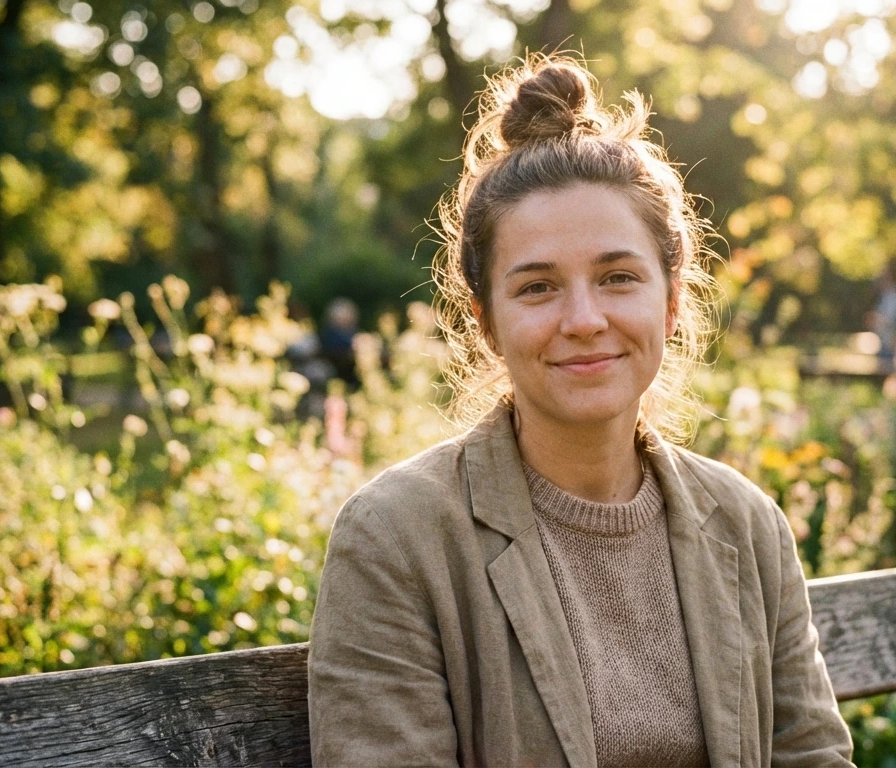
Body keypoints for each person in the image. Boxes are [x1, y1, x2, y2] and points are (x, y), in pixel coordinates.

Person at [308, 54, 855, 767]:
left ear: (670, 298)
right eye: (537, 288)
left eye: (617, 277)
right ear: (487, 323)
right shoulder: (397, 539)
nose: (585, 318)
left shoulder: (748, 528)